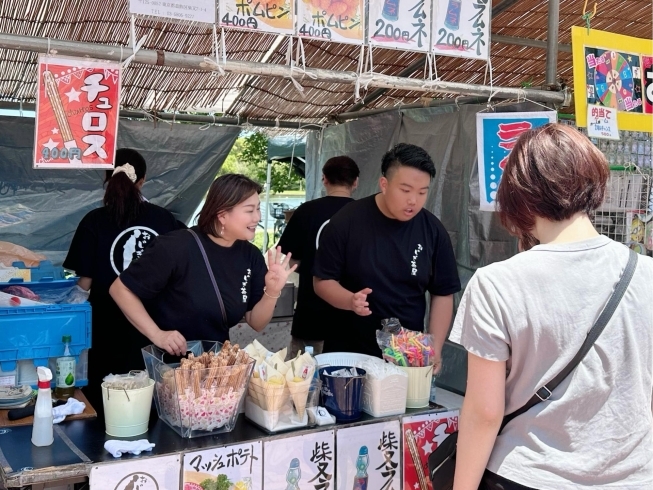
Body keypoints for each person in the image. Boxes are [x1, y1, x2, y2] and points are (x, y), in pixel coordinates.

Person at [449, 124, 653, 489]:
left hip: (526, 474)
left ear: (518, 196)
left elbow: (484, 412)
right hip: (633, 477)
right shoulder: (647, 275)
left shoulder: (496, 283)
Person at [109, 174, 297, 357]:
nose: (257, 217)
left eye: (258, 209)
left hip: (215, 368)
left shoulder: (251, 255)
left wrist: (272, 291)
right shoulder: (176, 247)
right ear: (222, 215)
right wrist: (157, 334)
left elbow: (256, 322)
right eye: (249, 210)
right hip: (168, 366)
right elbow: (120, 289)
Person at [313, 143, 461, 360]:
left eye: (422, 192)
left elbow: (443, 292)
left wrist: (434, 347)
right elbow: (322, 281)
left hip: (405, 354)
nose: (413, 200)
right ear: (384, 184)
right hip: (350, 349)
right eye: (405, 190)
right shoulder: (347, 221)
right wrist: (349, 300)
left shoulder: (433, 230)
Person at [63, 148, 183, 411]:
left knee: (106, 403)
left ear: (106, 178)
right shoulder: (164, 219)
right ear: (142, 181)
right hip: (155, 329)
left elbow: (84, 285)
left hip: (105, 330)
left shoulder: (94, 221)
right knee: (150, 405)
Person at [278, 156, 360, 358]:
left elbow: (289, 258)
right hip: (354, 316)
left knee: (303, 380)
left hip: (311, 313)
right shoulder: (364, 214)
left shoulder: (306, 211)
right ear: (355, 181)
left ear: (324, 179)